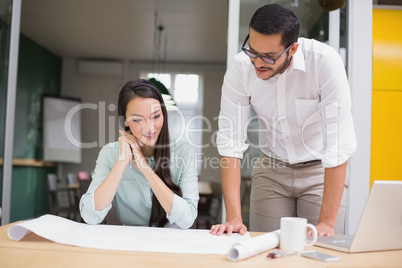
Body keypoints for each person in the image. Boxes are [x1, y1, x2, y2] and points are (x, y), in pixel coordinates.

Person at [210, 4, 356, 236]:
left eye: (269, 56)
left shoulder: (324, 62)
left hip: (320, 170)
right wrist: (234, 217)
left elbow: (338, 145)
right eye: (253, 51)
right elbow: (230, 142)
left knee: (318, 250)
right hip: (272, 168)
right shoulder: (240, 67)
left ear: (293, 48)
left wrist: (327, 224)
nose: (258, 63)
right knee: (265, 248)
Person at [80, 79, 199, 228]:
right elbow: (90, 216)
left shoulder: (185, 151)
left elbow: (187, 220)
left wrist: (145, 168)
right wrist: (122, 161)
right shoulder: (110, 153)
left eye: (155, 116)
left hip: (172, 243)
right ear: (126, 121)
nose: (149, 128)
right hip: (130, 242)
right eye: (137, 120)